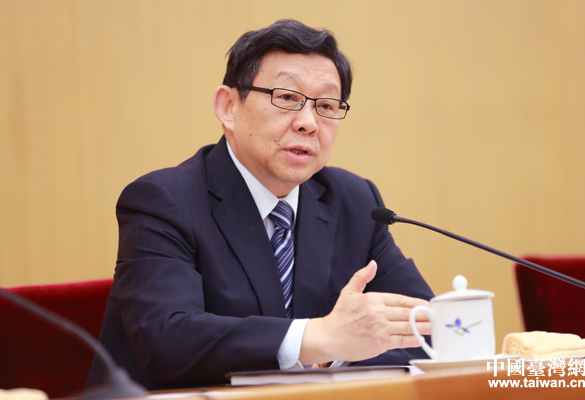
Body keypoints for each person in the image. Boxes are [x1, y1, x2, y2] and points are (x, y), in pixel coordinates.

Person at [87, 19, 433, 390]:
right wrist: (318, 338)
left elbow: (429, 330)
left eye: (326, 105)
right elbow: (168, 341)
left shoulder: (354, 201)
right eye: (286, 98)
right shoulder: (163, 201)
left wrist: (330, 352)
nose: (308, 123)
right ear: (228, 107)